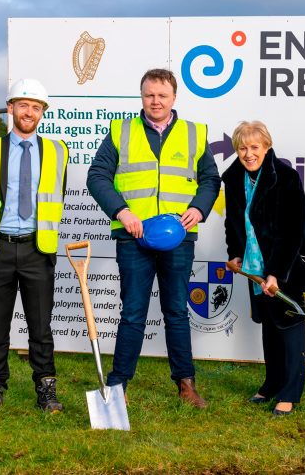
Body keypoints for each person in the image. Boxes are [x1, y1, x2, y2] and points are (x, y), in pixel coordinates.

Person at [87, 68, 220, 407]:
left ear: (174, 98)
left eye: (162, 95)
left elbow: (210, 179)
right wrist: (121, 211)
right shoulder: (122, 131)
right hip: (134, 237)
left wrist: (199, 209)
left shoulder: (194, 133)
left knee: (176, 310)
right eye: (149, 95)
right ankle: (118, 387)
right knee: (132, 312)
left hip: (178, 238)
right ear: (142, 96)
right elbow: (97, 175)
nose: (155, 101)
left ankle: (186, 384)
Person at [0, 78, 69, 415]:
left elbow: (58, 194)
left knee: (40, 325)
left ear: (43, 113)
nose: (30, 112)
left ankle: (45, 388)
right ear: (11, 107)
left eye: (36, 107)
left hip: (37, 250)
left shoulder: (57, 151)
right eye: (23, 105)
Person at [223, 121, 305, 416]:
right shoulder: (233, 178)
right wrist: (234, 253)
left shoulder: (285, 177)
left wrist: (277, 273)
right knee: (270, 325)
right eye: (242, 148)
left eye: (254, 147)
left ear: (267, 147)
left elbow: (293, 230)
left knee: (289, 324)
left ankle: (290, 393)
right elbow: (233, 221)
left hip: (290, 263)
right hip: (254, 264)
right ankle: (272, 383)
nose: (248, 154)